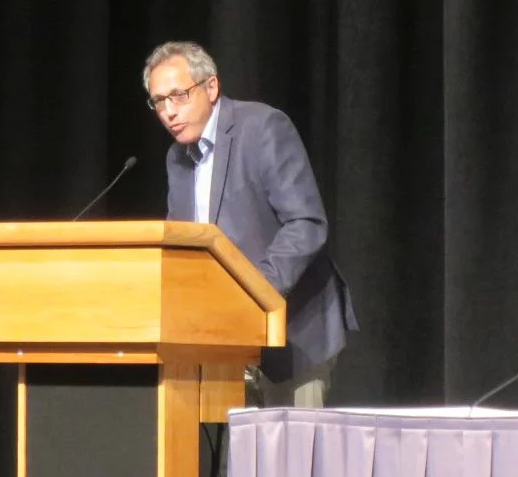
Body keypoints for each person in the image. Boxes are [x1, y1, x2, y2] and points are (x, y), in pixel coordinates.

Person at [143, 41, 358, 406]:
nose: (169, 112)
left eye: (179, 96)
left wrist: (252, 294)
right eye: (159, 101)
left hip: (295, 335)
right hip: (224, 346)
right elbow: (182, 245)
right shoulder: (176, 159)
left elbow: (306, 223)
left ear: (211, 87)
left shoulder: (262, 128)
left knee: (292, 444)